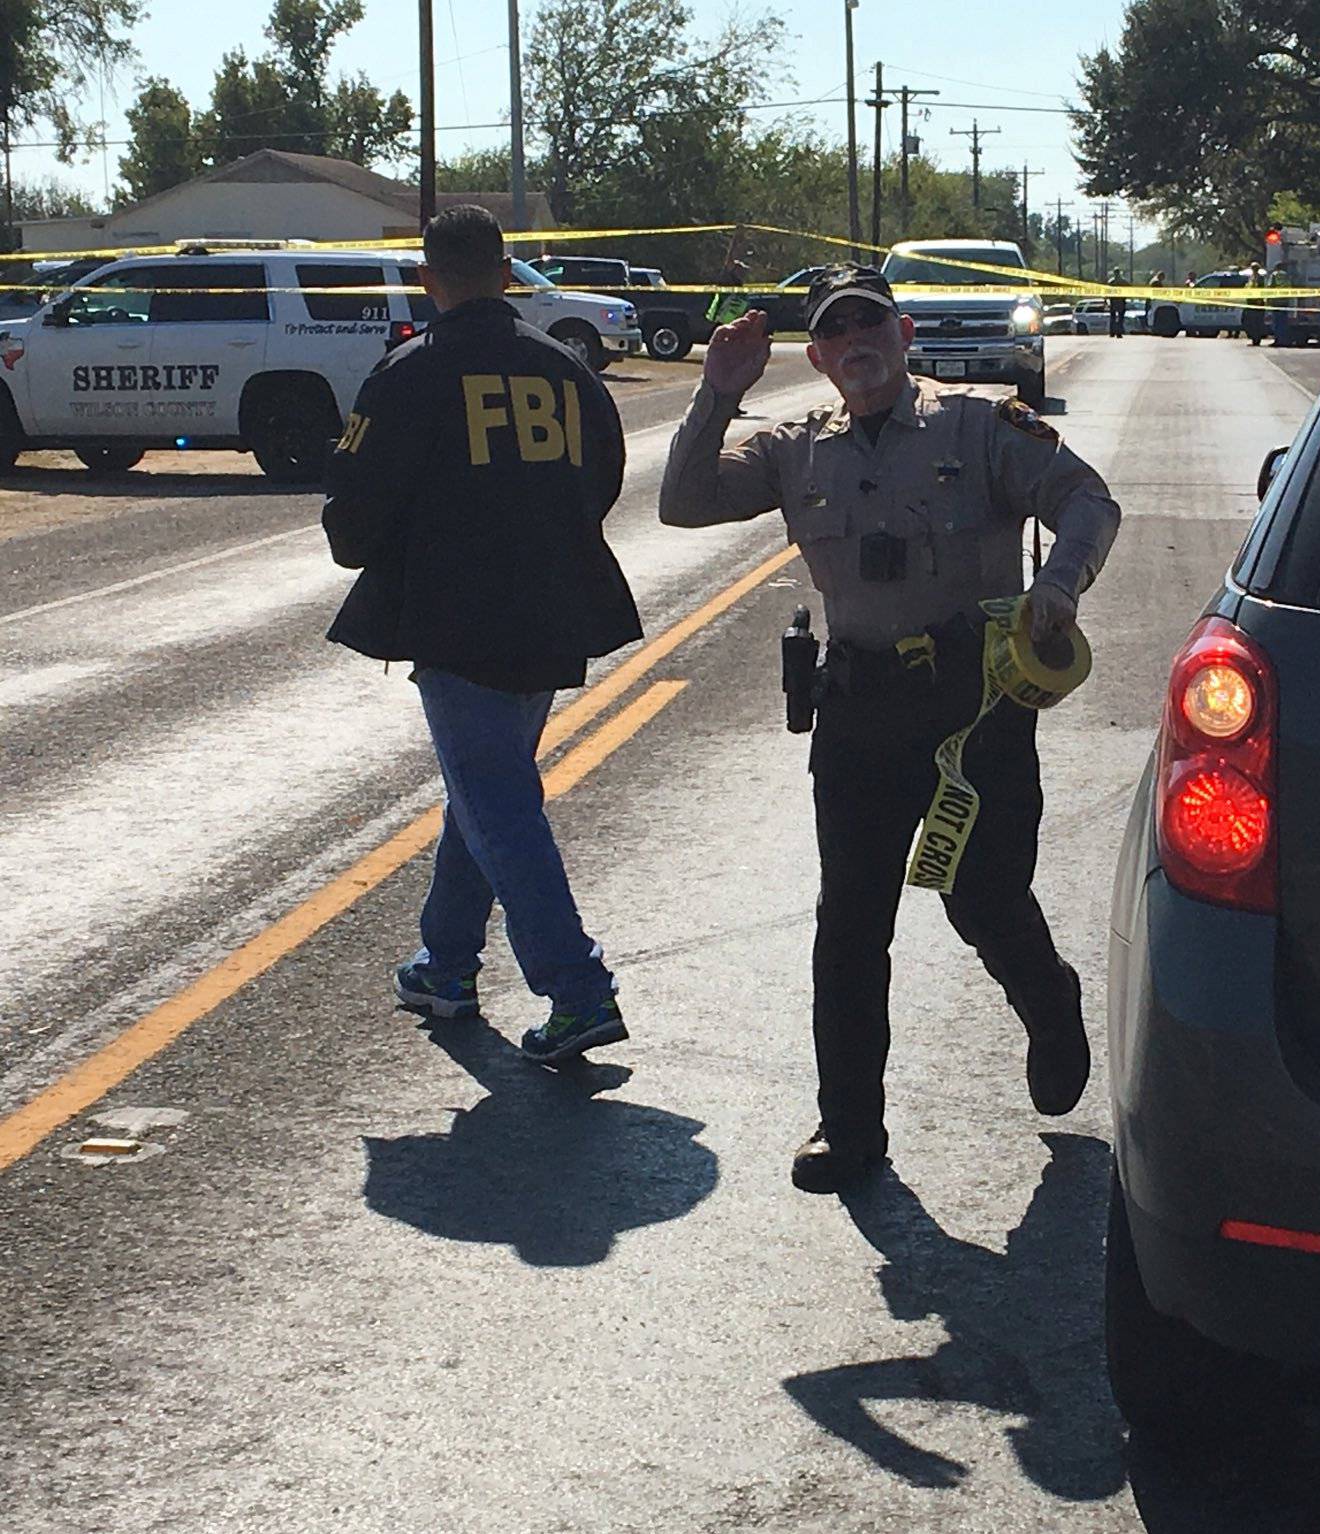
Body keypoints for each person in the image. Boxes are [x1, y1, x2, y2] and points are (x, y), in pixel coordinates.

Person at [658, 266, 1122, 1193]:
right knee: (851, 923)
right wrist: (716, 395)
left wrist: (1059, 585)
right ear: (820, 357)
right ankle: (851, 1130)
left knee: (982, 898)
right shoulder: (797, 448)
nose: (857, 341)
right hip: (860, 706)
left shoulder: (978, 427)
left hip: (973, 706)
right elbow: (684, 502)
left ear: (905, 335)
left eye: (872, 322)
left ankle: (1049, 1000)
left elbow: (1086, 501)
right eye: (837, 332)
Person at [321, 204, 642, 1065]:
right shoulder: (569, 371)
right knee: (485, 786)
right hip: (552, 610)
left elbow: (353, 520)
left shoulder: (409, 374)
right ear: (506, 275)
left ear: (428, 280)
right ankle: (447, 965)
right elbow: (604, 479)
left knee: (495, 799)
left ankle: (577, 992)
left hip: (457, 619)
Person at [1241, 259, 1268, 346]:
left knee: (1257, 323)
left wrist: (1259, 301)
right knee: (1250, 322)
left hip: (1257, 304)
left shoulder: (1259, 278)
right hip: (1250, 303)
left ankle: (1256, 339)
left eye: (1254, 268)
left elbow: (1260, 290)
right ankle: (1254, 338)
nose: (1253, 270)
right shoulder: (1251, 278)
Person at [1106, 266, 1126, 338]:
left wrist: (1106, 299)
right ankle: (1118, 333)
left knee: (1113, 318)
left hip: (1114, 301)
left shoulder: (1111, 281)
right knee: (1119, 318)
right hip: (1120, 301)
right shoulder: (1123, 281)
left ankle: (1112, 333)